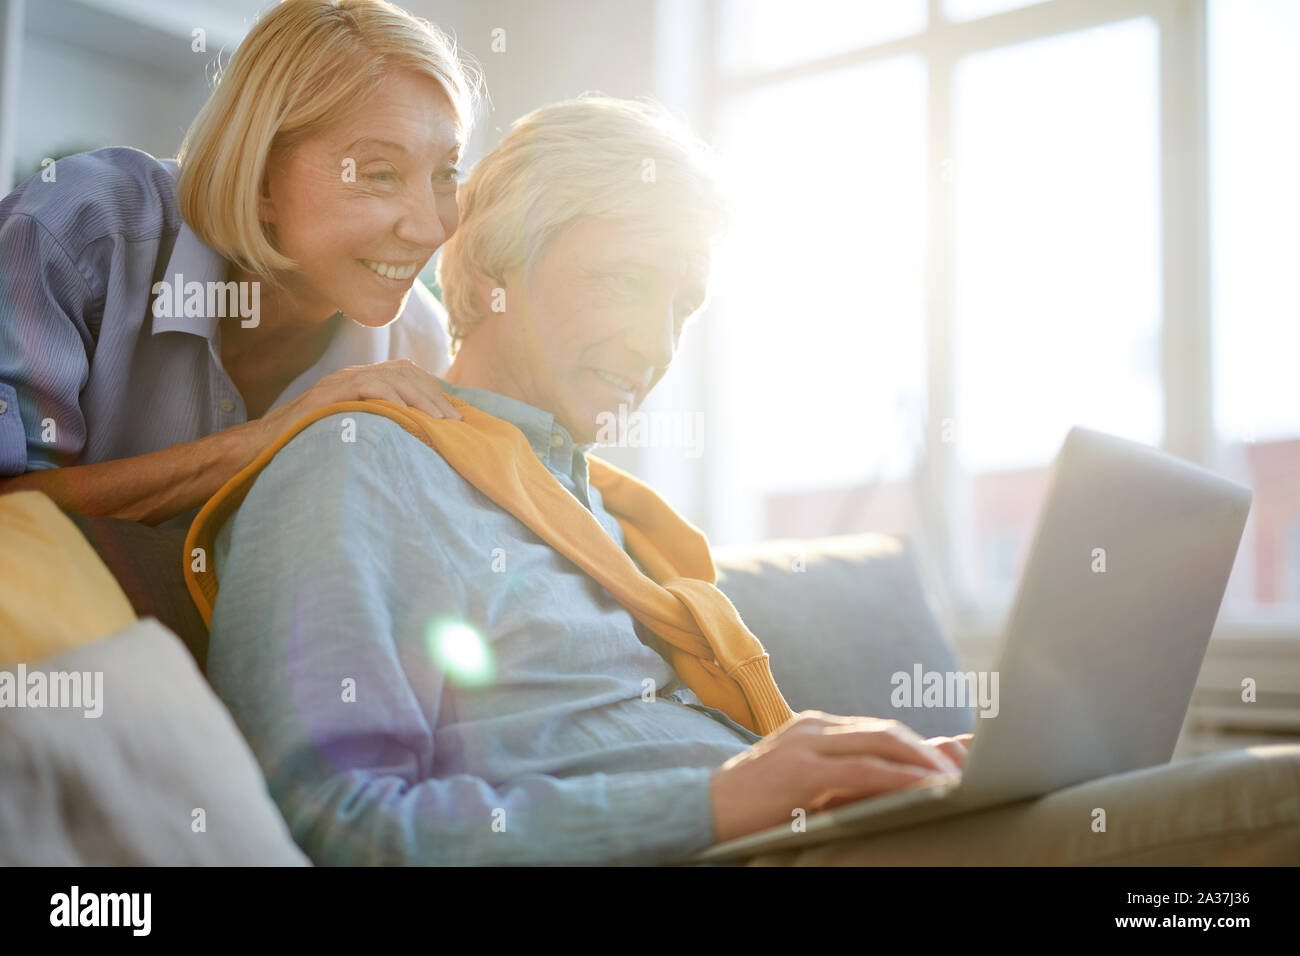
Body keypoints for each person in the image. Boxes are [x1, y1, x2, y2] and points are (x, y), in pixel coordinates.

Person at [186, 93, 975, 866]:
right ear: (499, 260)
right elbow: (336, 823)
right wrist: (721, 801)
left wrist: (890, 775)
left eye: (682, 306)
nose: (654, 344)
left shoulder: (618, 519)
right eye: (624, 282)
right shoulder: (363, 462)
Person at [0, 0, 475, 527]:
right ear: (261, 179)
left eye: (446, 174)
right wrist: (273, 437)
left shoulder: (420, 343)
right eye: (381, 174)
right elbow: (11, 508)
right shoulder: (78, 231)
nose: (430, 229)